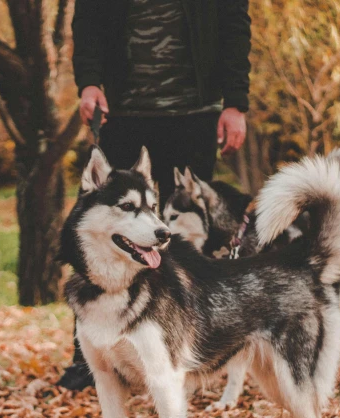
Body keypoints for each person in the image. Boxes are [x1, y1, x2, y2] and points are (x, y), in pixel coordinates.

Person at [57, 0, 251, 391]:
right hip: (124, 112)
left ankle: (179, 351)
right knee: (108, 233)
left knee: (184, 240)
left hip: (196, 112)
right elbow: (89, 19)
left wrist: (235, 103)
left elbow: (234, 24)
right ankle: (90, 358)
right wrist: (89, 82)